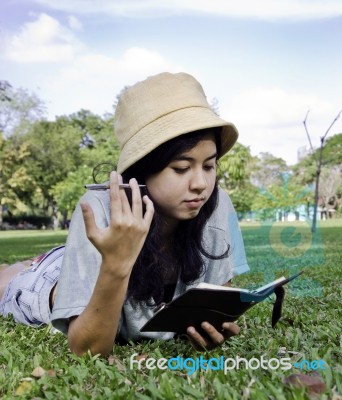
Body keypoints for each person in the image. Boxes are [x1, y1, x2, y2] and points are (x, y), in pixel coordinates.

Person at [0, 72, 250, 356]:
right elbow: (87, 350)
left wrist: (215, 322)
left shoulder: (214, 204)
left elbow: (220, 302)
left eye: (209, 166)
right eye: (181, 168)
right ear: (140, 172)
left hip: (77, 258)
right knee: (7, 280)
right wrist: (117, 263)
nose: (200, 184)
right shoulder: (99, 209)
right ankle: (20, 269)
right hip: (50, 282)